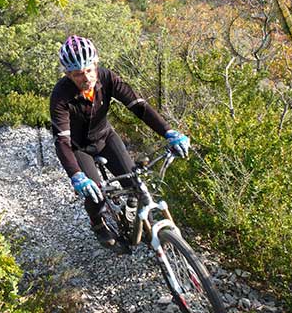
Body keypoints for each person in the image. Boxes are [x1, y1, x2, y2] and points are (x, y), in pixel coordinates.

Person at [50, 35, 190, 248]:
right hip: (79, 147)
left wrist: (169, 132)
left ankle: (139, 218)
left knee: (135, 183)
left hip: (105, 137)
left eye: (89, 69)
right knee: (96, 193)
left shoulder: (106, 78)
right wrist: (77, 175)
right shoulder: (60, 96)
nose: (86, 77)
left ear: (96, 64)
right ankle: (97, 224)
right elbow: (61, 141)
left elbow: (138, 106)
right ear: (68, 74)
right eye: (78, 74)